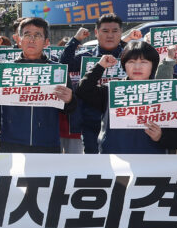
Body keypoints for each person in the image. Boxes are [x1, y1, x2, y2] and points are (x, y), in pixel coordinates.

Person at [0, 18, 78, 153]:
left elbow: (70, 109)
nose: (32, 39)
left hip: (48, 143)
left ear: (46, 42)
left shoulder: (57, 70)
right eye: (27, 35)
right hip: (11, 142)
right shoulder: (5, 69)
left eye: (37, 35)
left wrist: (69, 100)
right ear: (19, 40)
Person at [76, 42, 177, 154]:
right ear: (124, 65)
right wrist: (100, 66)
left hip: (153, 163)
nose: (137, 67)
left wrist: (161, 136)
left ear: (153, 65)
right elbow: (83, 90)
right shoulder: (111, 90)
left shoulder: (166, 92)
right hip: (114, 161)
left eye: (144, 62)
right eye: (131, 62)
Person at [60, 14, 140, 153]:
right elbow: (63, 65)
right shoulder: (85, 57)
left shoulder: (131, 58)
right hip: (90, 123)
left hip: (125, 121)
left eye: (115, 31)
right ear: (96, 32)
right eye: (105, 31)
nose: (110, 35)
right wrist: (75, 40)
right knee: (94, 166)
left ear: (121, 33)